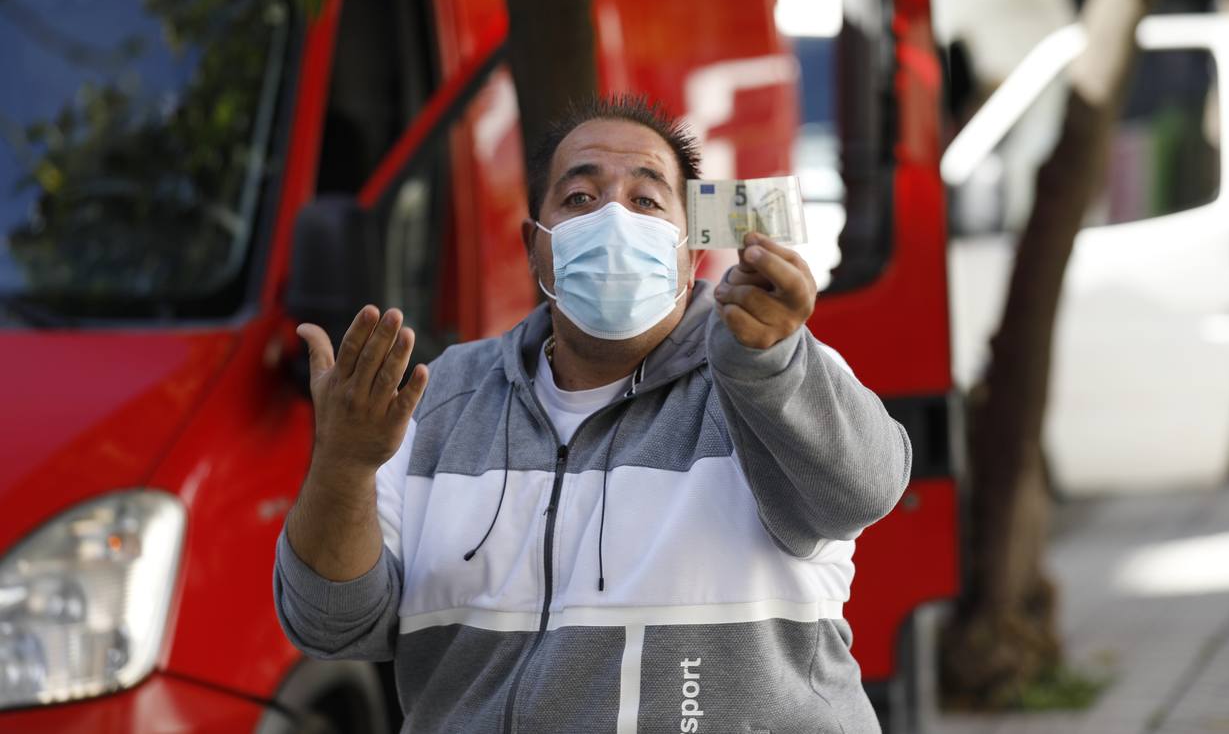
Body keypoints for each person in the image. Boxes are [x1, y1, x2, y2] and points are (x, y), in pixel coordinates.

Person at [274, 94, 912, 733]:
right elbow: (332, 626)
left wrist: (770, 363)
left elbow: (862, 491)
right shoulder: (437, 399)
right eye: (579, 198)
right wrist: (343, 468)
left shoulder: (764, 379)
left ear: (690, 252)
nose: (613, 218)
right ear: (536, 246)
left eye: (646, 199)